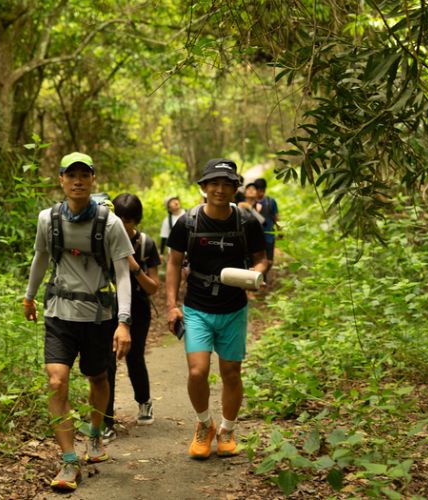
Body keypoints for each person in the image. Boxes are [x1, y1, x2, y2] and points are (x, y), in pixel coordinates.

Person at [23, 152, 133, 492]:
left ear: (92, 180)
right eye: (71, 175)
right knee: (56, 382)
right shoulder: (48, 220)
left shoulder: (109, 224)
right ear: (61, 180)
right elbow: (41, 257)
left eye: (84, 174)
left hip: (98, 317)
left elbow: (123, 273)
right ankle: (69, 460)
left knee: (98, 377)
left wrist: (124, 321)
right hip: (58, 313)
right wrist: (29, 296)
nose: (78, 180)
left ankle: (96, 432)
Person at [165, 158, 268, 460]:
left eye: (227, 184)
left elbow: (262, 258)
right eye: (214, 183)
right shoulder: (188, 222)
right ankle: (203, 424)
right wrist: (172, 306)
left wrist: (256, 275)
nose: (220, 189)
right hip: (197, 306)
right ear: (204, 188)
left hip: (234, 307)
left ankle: (227, 430)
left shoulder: (246, 222)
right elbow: (173, 262)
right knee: (197, 372)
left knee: (231, 372)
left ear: (236, 188)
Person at [104, 193, 161, 441]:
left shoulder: (146, 244)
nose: (124, 224)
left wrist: (133, 266)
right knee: (106, 362)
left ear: (136, 220)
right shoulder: (102, 241)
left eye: (128, 219)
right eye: (119, 218)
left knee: (134, 356)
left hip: (137, 307)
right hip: (105, 307)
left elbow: (153, 287)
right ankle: (106, 419)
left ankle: (144, 401)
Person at [252, 178, 281, 271]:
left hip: (269, 235)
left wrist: (280, 230)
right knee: (255, 260)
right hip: (255, 236)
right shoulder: (250, 202)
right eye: (259, 190)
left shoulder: (270, 201)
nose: (261, 193)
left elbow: (276, 217)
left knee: (269, 261)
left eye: (262, 190)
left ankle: (263, 276)